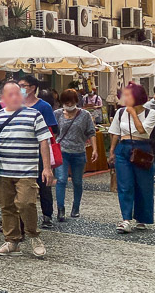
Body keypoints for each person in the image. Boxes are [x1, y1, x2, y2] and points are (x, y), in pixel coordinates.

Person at [0, 81, 54, 259]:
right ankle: (12, 241)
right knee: (7, 206)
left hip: (27, 171)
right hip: (4, 170)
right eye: (10, 94)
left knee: (26, 203)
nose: (15, 97)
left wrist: (47, 168)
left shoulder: (34, 115)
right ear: (3, 98)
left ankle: (34, 236)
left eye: (18, 93)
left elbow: (44, 141)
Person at [109, 82, 155, 233]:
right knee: (125, 185)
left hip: (142, 149)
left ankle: (142, 218)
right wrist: (111, 151)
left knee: (144, 185)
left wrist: (132, 113)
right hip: (123, 148)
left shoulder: (151, 113)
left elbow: (143, 131)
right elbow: (115, 132)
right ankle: (126, 219)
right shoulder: (120, 112)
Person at [18, 75, 59, 229]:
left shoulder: (44, 107)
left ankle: (47, 215)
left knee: (43, 183)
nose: (21, 87)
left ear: (33, 87)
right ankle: (17, 216)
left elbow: (52, 130)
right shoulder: (16, 104)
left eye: (23, 85)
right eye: (19, 84)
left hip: (40, 151)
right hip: (21, 152)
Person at [53, 89, 97, 221]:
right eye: (65, 102)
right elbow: (53, 132)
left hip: (79, 151)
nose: (68, 104)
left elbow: (91, 132)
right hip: (62, 151)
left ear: (76, 101)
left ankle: (76, 208)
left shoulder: (85, 115)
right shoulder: (57, 114)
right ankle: (61, 209)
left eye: (70, 101)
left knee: (77, 181)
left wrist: (95, 149)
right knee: (61, 180)